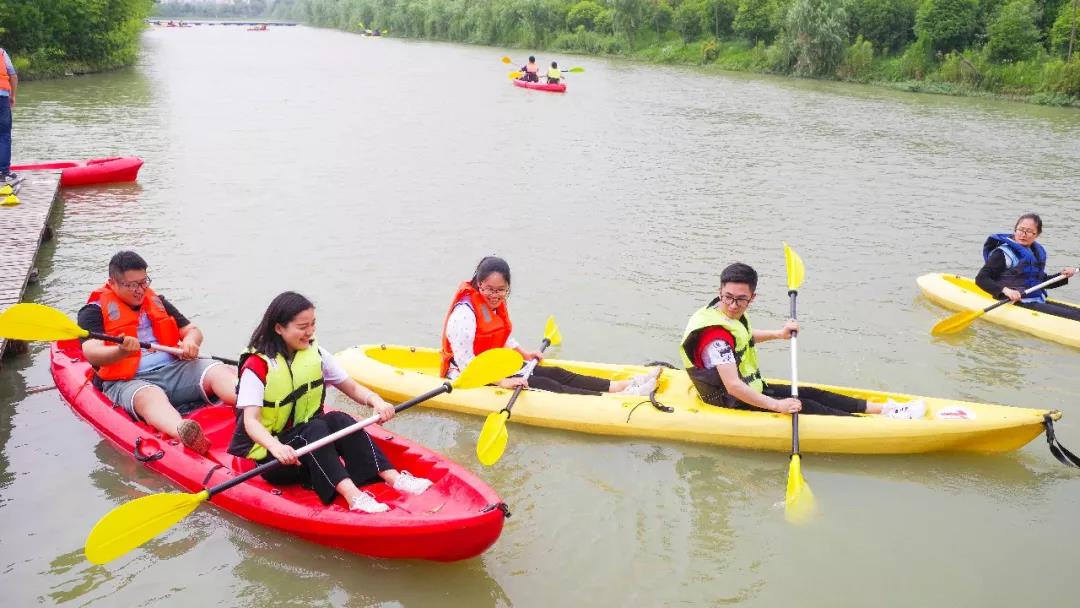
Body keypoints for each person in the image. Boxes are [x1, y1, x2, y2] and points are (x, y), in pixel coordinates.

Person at [227, 291, 433, 513]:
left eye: (313, 324)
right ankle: (354, 496)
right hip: (277, 460)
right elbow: (251, 422)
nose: (310, 332)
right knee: (315, 427)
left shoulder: (316, 353)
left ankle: (392, 477)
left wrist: (376, 401)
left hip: (309, 447)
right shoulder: (257, 365)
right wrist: (276, 448)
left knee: (339, 418)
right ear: (279, 328)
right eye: (302, 326)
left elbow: (351, 387)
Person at [680, 262, 922, 418]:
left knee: (813, 393)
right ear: (719, 292)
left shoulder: (727, 318)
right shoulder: (716, 339)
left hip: (751, 388)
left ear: (753, 297)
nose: (733, 305)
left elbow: (742, 339)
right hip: (732, 401)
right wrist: (778, 406)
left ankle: (885, 409)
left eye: (741, 299)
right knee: (809, 406)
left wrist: (778, 334)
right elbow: (733, 385)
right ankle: (878, 423)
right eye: (727, 297)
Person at [78, 251, 238, 453]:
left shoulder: (156, 301)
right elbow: (91, 352)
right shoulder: (93, 311)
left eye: (144, 282)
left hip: (174, 368)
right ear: (113, 283)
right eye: (132, 285)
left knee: (217, 371)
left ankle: (256, 402)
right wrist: (121, 351)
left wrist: (190, 343)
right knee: (150, 397)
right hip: (129, 380)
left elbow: (192, 330)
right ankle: (183, 431)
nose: (140, 290)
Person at [440, 256, 659, 396]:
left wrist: (524, 354)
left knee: (556, 372)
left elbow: (500, 334)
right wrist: (504, 382)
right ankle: (616, 398)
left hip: (494, 365)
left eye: (501, 290)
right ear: (479, 284)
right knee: (547, 384)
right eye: (489, 289)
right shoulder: (463, 316)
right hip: (466, 376)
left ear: (507, 287)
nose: (495, 295)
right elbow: (467, 364)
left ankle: (623, 385)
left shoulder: (493, 303)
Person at [975, 213, 1079, 321]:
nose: (1023, 234)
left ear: (1037, 234)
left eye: (1029, 231)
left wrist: (1063, 275)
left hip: (1036, 300)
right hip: (1013, 302)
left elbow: (1040, 282)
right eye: (1020, 229)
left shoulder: (1036, 252)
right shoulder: (1002, 254)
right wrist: (1006, 291)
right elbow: (981, 279)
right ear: (1015, 230)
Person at [0, 46, 17, 182]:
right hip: (2, 98)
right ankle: (4, 172)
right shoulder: (1, 53)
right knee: (4, 135)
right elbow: (13, 76)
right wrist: (13, 96)